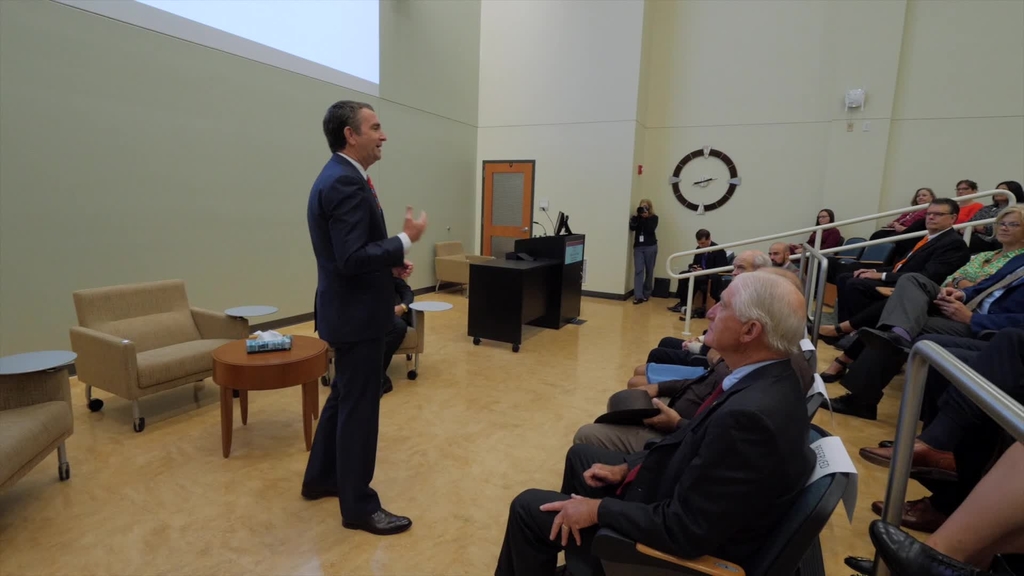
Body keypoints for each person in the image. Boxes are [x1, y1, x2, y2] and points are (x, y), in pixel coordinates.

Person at [495, 272, 814, 576]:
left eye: (724, 305)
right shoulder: (767, 379)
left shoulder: (748, 419)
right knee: (581, 459)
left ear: (749, 331)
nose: (712, 311)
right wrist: (627, 467)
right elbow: (692, 440)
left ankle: (601, 558)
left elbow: (685, 530)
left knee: (528, 508)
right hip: (679, 492)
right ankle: (585, 563)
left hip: (674, 551)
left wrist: (598, 510)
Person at [302, 100, 427, 536]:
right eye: (375, 127)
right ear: (350, 135)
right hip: (357, 316)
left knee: (342, 398)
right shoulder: (344, 184)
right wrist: (404, 241)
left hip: (348, 309)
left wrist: (388, 266)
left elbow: (347, 257)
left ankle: (321, 478)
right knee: (359, 408)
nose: (383, 135)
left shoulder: (341, 177)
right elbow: (352, 257)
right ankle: (359, 506)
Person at [668, 229, 727, 314]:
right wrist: (693, 267)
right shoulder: (699, 248)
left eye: (703, 243)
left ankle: (688, 303)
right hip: (698, 273)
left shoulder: (718, 250)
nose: (700, 245)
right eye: (699, 243)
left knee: (695, 279)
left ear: (709, 239)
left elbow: (722, 267)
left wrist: (704, 270)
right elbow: (695, 263)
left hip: (709, 275)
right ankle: (682, 302)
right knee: (682, 275)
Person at [967, 180, 1023, 253]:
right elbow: (971, 222)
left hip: (992, 240)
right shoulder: (986, 208)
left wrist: (984, 228)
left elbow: (998, 227)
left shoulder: (1018, 210)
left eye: (1003, 190)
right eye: (997, 189)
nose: (998, 192)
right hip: (974, 236)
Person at [382, 276, 414, 396]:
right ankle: (378, 376)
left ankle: (376, 372)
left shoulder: (387, 271)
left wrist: (403, 307)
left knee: (399, 326)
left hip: (390, 314)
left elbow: (407, 292)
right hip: (364, 314)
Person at [870, 187, 935, 240]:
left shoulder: (931, 211)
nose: (920, 197)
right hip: (896, 229)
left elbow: (920, 226)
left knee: (890, 239)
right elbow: (898, 220)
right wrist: (893, 223)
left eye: (924, 195)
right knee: (877, 234)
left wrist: (905, 229)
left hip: (909, 233)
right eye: (918, 196)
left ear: (931, 198)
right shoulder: (911, 210)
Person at [629, 199, 658, 304]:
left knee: (649, 271)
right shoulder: (636, 218)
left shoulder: (654, 218)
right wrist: (638, 218)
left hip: (651, 246)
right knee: (638, 270)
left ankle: (646, 293)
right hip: (638, 247)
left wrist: (646, 218)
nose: (644, 209)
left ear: (649, 208)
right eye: (642, 207)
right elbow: (632, 228)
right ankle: (638, 296)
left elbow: (650, 230)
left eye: (646, 207)